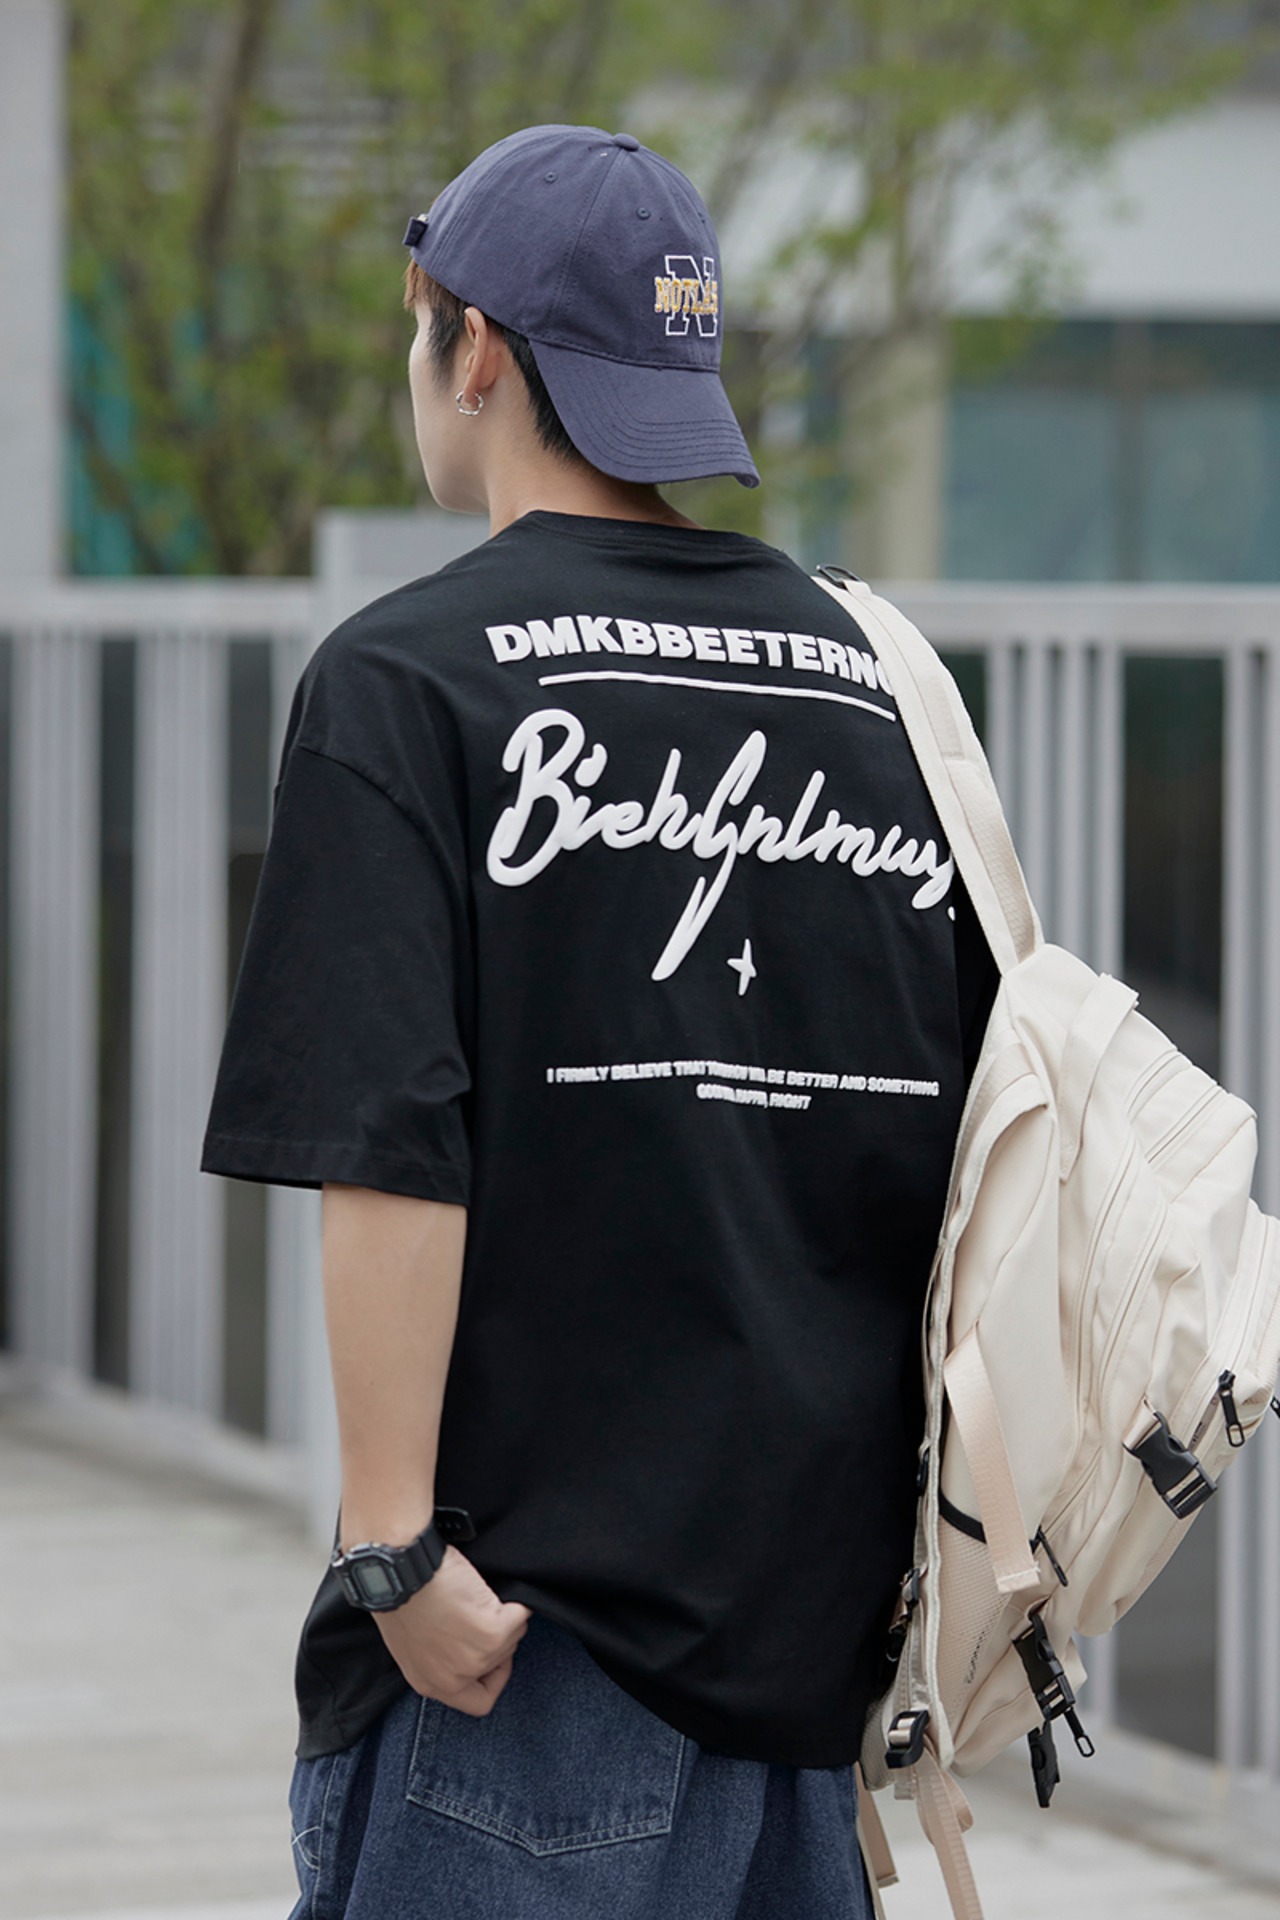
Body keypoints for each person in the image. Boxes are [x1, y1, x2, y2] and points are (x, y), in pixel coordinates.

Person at [201, 123, 996, 1919]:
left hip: (518, 1654)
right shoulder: (884, 686)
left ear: (474, 347)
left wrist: (391, 1547)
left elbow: (390, 1148)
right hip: (817, 1660)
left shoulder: (405, 680)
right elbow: (956, 1148)